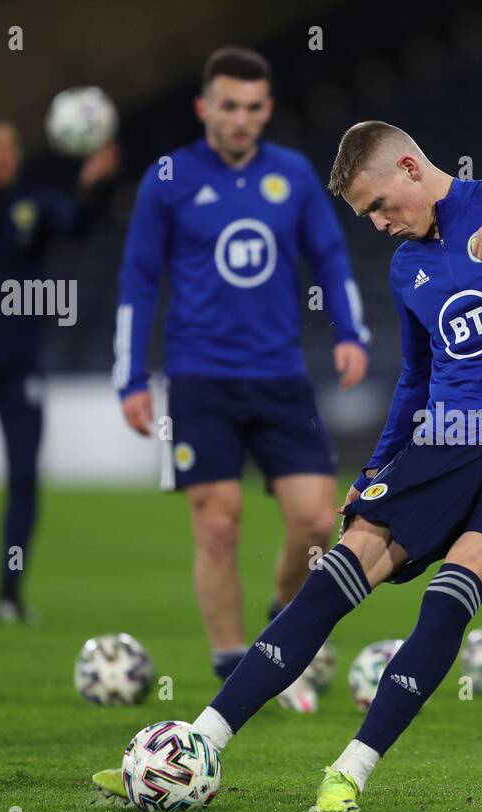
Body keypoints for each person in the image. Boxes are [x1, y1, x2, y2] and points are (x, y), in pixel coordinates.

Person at [94, 119, 482, 812]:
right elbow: (415, 381)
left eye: (378, 205)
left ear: (410, 166)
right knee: (334, 577)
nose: (377, 223)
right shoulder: (408, 267)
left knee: (453, 590)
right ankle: (198, 744)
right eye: (364, 215)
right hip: (449, 435)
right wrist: (377, 467)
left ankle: (349, 770)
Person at [111, 48, 370, 712]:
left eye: (254, 107)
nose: (241, 119)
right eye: (228, 105)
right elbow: (139, 281)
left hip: (281, 376)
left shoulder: (294, 174)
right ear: (204, 107)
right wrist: (130, 377)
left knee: (317, 522)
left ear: (268, 110)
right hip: (201, 381)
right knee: (219, 525)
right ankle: (234, 667)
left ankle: (280, 630)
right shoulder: (167, 178)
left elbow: (330, 254)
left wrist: (349, 330)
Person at [0, 120, 118, 620]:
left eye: (9, 149)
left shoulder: (35, 201)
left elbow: (78, 222)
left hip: (19, 370)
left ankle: (9, 595)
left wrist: (96, 184)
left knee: (23, 478)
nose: (0, 157)